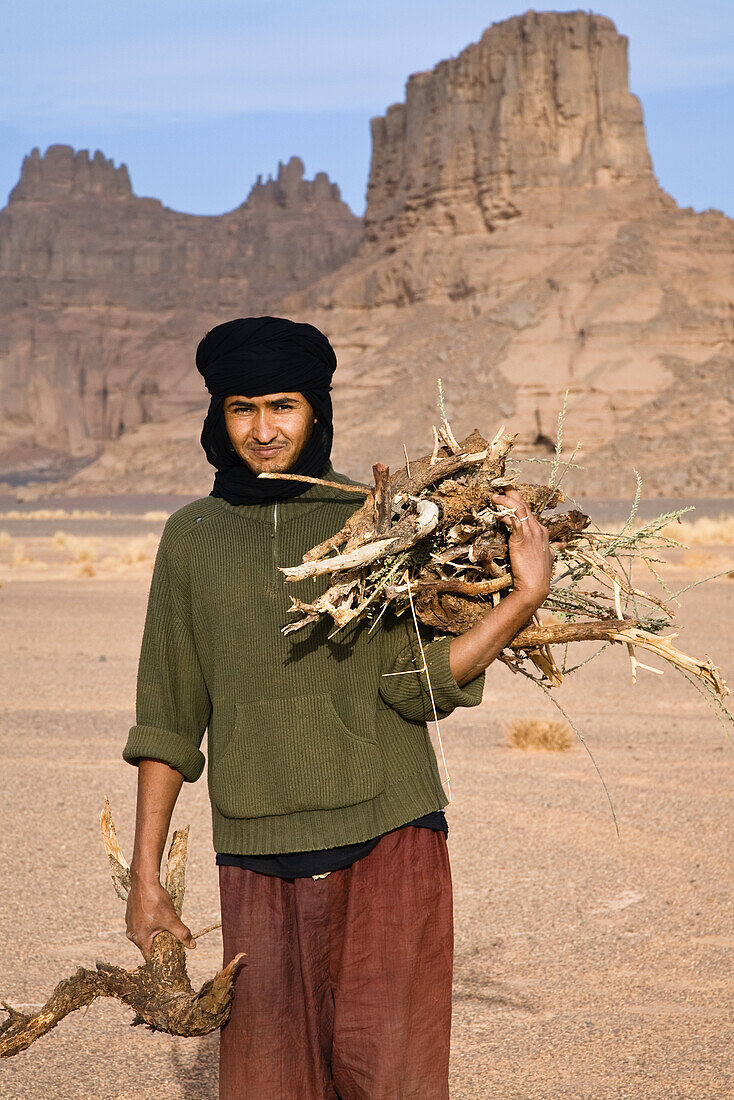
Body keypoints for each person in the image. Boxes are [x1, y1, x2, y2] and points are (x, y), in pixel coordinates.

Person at [123, 316, 554, 1099]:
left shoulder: (380, 517)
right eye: (241, 408)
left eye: (282, 406)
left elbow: (412, 683)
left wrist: (522, 599)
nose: (263, 430)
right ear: (217, 418)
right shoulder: (190, 538)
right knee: (268, 1084)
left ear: (316, 411)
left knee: (393, 1080)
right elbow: (168, 715)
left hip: (389, 839)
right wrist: (144, 878)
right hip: (256, 854)